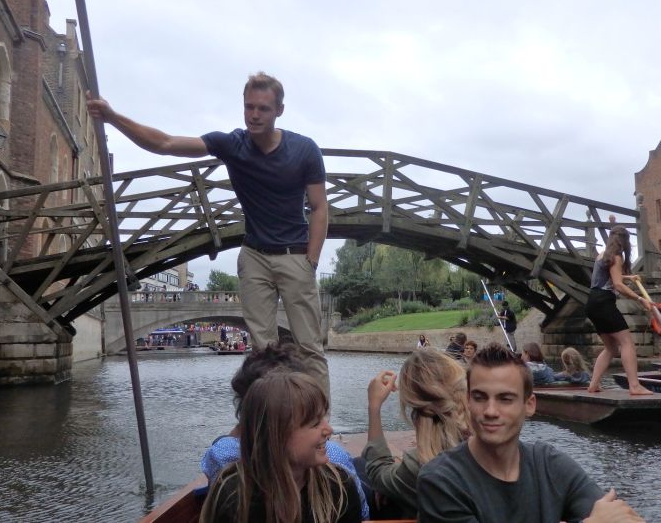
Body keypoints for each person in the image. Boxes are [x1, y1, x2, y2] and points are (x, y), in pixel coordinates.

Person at [87, 72, 331, 399]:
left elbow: (319, 207)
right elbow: (165, 144)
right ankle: (275, 419)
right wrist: (113, 117)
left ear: (279, 111)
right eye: (249, 108)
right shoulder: (232, 144)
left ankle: (320, 422)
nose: (255, 115)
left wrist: (311, 261)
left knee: (309, 347)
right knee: (263, 351)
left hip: (295, 254)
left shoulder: (304, 150)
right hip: (254, 255)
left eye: (263, 108)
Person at [417, 344, 646, 523]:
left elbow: (616, 515)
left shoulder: (548, 464)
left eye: (505, 399)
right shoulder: (440, 481)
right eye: (479, 398)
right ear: (467, 401)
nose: (490, 411)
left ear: (529, 405)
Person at [200, 345, 369, 519]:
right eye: (315, 422)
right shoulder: (232, 496)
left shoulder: (339, 487)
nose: (329, 429)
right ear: (276, 434)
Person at [362, 348, 470, 518]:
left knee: (362, 471)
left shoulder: (419, 467)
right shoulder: (492, 448)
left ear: (414, 411)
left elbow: (377, 473)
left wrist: (374, 407)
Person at [584, 226, 655, 396]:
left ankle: (593, 385)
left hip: (592, 303)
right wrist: (639, 299)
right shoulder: (617, 256)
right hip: (604, 303)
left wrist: (628, 277)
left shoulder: (602, 255)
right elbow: (617, 285)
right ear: (625, 241)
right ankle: (635, 386)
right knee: (627, 343)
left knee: (611, 348)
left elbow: (609, 277)